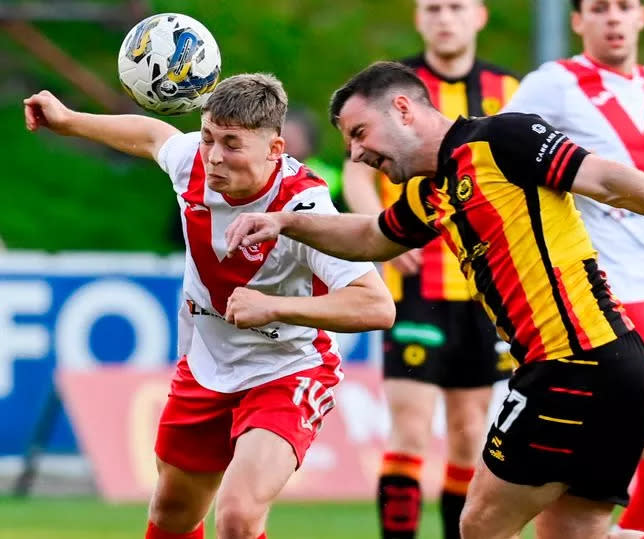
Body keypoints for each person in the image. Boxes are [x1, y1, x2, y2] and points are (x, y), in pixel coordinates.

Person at [223, 62, 644, 539]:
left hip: (574, 363)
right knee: (574, 534)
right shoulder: (434, 190)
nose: (357, 155)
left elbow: (610, 181)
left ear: (402, 109)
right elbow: (371, 235)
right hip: (614, 363)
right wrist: (283, 223)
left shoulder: (501, 139)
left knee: (479, 525)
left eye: (359, 134)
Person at [23, 73, 395, 539]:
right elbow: (153, 136)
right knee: (172, 512)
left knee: (237, 517)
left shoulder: (305, 209)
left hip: (288, 368)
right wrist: (69, 120)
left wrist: (274, 307)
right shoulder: (194, 165)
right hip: (207, 366)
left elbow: (377, 307)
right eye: (208, 138)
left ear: (274, 150)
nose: (215, 156)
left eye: (232, 144)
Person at [501, 1, 644, 536]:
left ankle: (626, 512)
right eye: (599, 8)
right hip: (619, 288)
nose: (613, 18)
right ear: (578, 21)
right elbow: (499, 148)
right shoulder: (553, 82)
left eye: (623, 7)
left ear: (641, 17)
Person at [340, 2, 520, 537]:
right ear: (419, 18)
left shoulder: (509, 89)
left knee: (469, 435)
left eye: (456, 7)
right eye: (433, 7)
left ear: (480, 16)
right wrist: (378, 225)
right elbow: (356, 173)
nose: (446, 18)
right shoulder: (391, 90)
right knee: (410, 430)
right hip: (415, 286)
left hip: (486, 290)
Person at [282, 106, 345, 210]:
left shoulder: (331, 176)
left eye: (295, 136)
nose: (287, 141)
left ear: (310, 142)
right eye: (284, 135)